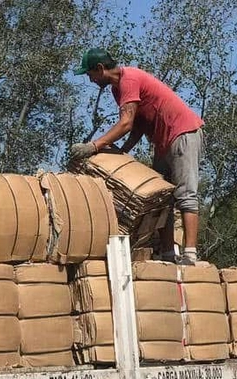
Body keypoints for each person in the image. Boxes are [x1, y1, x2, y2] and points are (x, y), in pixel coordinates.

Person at [69, 48, 204, 265]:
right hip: (162, 141)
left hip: (182, 133)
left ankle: (190, 254)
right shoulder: (117, 90)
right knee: (162, 197)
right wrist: (123, 152)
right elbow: (137, 124)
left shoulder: (128, 79)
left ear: (101, 69)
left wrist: (94, 146)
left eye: (90, 74)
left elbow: (125, 123)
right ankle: (168, 254)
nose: (90, 80)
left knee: (185, 194)